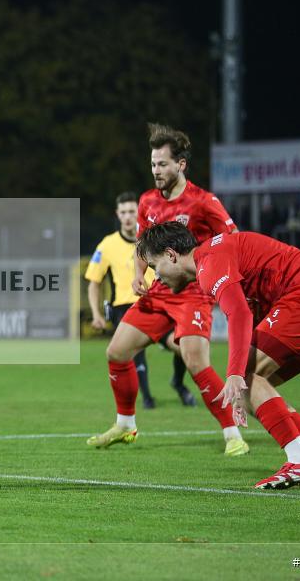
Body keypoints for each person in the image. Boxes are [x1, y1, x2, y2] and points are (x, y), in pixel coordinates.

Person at [137, 222, 300, 488]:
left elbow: (239, 314)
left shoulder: (209, 264)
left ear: (171, 255)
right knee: (254, 384)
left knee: (248, 379)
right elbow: (252, 313)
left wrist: (235, 375)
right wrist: (240, 379)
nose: (156, 277)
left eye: (154, 267)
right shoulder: (215, 256)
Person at [88, 123, 248, 456]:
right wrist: (138, 276)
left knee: (195, 361)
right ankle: (125, 425)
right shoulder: (148, 201)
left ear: (181, 165)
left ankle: (233, 433)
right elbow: (142, 246)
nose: (156, 171)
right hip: (159, 291)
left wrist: (224, 278)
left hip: (193, 291)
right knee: (116, 352)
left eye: (162, 164)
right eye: (153, 165)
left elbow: (235, 240)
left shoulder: (204, 203)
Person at [85, 193, 195, 409]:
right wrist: (97, 314)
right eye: (123, 212)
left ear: (139, 213)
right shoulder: (106, 245)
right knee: (135, 353)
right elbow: (93, 282)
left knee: (183, 346)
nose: (127, 217)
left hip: (156, 301)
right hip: (123, 306)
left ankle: (178, 383)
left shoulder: (152, 240)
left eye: (131, 212)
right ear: (117, 215)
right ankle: (147, 399)